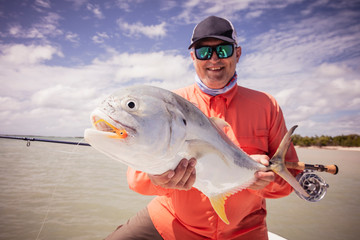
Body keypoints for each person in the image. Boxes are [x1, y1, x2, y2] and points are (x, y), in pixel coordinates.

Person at [105, 16, 299, 240]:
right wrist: (159, 179)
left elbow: (288, 180)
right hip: (172, 221)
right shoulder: (171, 103)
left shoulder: (266, 105)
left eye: (223, 50)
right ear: (192, 57)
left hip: (245, 231)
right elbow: (136, 180)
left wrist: (266, 182)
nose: (214, 59)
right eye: (203, 52)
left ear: (238, 53)